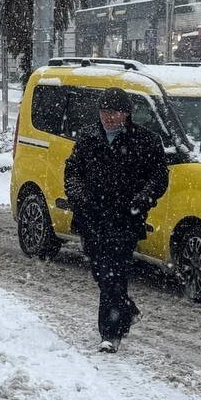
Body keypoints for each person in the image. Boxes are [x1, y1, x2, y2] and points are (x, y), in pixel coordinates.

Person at [63, 87, 169, 353]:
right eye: (104, 112)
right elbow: (72, 171)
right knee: (101, 272)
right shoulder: (88, 137)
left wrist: (141, 200)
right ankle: (127, 310)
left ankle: (110, 334)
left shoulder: (145, 141)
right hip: (91, 217)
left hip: (125, 219)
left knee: (116, 273)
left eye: (115, 112)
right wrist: (79, 196)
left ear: (127, 114)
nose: (109, 117)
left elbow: (158, 178)